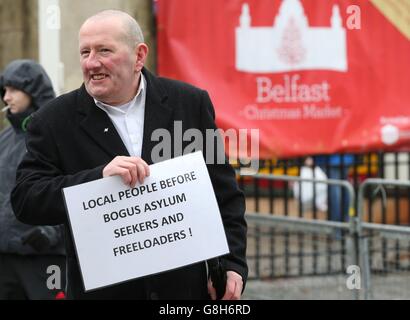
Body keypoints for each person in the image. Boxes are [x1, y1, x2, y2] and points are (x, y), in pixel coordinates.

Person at [11, 10, 247, 300]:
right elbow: (25, 199)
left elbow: (224, 194)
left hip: (182, 292)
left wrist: (233, 264)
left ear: (139, 56)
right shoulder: (53, 120)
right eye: (85, 52)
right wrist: (97, 180)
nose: (91, 62)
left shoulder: (189, 104)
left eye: (104, 50)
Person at [0, 60, 66, 300]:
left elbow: (75, 191)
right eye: (4, 90)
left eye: (14, 90)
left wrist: (49, 233)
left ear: (34, 91)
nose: (7, 97)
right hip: (5, 260)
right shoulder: (4, 139)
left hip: (45, 259)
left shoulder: (59, 134)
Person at [314, 154, 354, 222]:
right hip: (346, 156)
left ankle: (336, 224)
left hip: (329, 157)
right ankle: (347, 220)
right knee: (344, 186)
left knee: (335, 188)